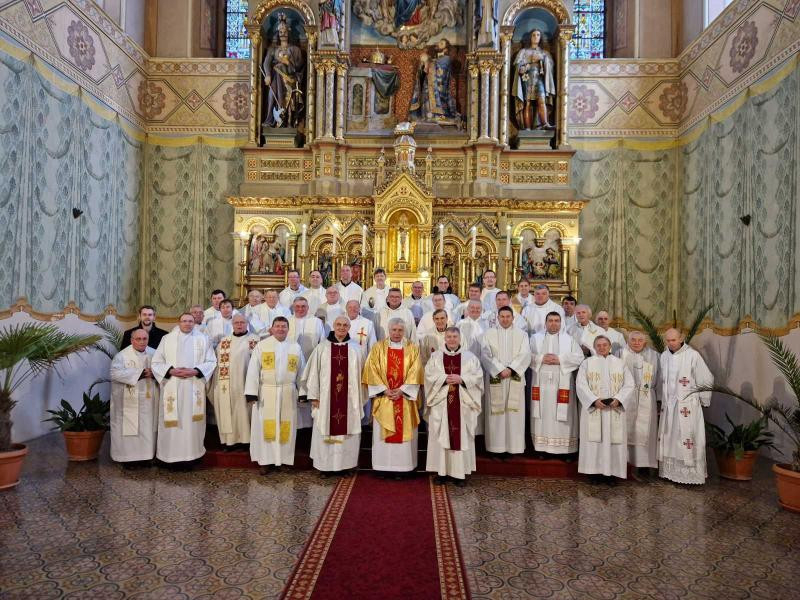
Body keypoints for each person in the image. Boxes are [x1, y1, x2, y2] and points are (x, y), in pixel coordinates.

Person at [302, 315, 367, 474]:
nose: (341, 328)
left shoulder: (356, 349)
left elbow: (363, 377)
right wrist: (314, 396)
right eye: (338, 324)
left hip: (349, 401)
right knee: (324, 428)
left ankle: (346, 466)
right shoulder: (322, 348)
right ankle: (325, 467)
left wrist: (360, 398)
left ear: (349, 328)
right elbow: (313, 374)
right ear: (333, 326)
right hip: (325, 401)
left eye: (345, 325)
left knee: (348, 431)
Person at [152, 313, 217, 465]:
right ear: (179, 322)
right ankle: (169, 457)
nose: (187, 323)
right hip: (172, 385)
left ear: (194, 323)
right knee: (172, 422)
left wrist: (195, 371)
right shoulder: (167, 339)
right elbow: (156, 362)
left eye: (190, 321)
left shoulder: (203, 339)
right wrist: (171, 371)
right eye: (184, 321)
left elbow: (211, 361)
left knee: (191, 424)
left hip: (193, 386)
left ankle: (192, 457)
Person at [362, 318, 424, 473]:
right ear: (389, 330)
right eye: (394, 330)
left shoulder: (412, 348)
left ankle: (403, 468)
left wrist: (402, 390)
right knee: (383, 434)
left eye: (400, 330)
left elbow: (416, 371)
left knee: (404, 435)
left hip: (404, 399)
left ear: (404, 331)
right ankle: (382, 467)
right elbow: (371, 370)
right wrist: (384, 390)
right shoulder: (378, 348)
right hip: (385, 398)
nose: (397, 333)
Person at [245, 316, 305, 472]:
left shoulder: (295, 347)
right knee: (266, 426)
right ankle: (266, 461)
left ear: (288, 329)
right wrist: (251, 392)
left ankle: (284, 460)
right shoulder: (262, 345)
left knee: (286, 426)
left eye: (284, 326)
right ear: (271, 328)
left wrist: (303, 392)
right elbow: (253, 369)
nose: (280, 329)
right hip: (267, 392)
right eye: (277, 326)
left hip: (288, 392)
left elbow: (302, 371)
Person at [425, 327, 484, 485]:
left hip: (463, 403)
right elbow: (428, 375)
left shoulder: (470, 357)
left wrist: (462, 379)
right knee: (441, 435)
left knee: (461, 435)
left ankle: (459, 474)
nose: (452, 339)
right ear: (445, 338)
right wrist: (444, 378)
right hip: (441, 403)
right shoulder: (436, 357)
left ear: (460, 338)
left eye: (455, 336)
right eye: (449, 336)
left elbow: (478, 377)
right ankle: (441, 472)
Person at [658, 328, 714, 485]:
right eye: (668, 340)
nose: (671, 343)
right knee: (671, 438)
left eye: (673, 340)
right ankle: (670, 472)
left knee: (686, 436)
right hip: (669, 405)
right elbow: (662, 380)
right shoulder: (664, 356)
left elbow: (706, 377)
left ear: (681, 338)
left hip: (687, 406)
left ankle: (689, 474)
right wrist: (660, 399)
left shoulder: (692, 355)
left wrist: (704, 399)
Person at [576, 335, 634, 481]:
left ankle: (612, 475)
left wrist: (619, 399)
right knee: (593, 442)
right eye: (598, 345)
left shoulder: (620, 363)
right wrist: (593, 400)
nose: (602, 348)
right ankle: (593, 473)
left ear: (610, 347)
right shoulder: (587, 363)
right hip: (595, 409)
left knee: (613, 441)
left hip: (614, 409)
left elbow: (629, 384)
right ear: (594, 347)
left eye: (604, 345)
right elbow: (581, 385)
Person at [480, 307, 532, 455]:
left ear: (513, 318)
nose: (505, 319)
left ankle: (514, 447)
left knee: (514, 414)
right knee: (496, 414)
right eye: (502, 316)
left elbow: (525, 354)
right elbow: (485, 354)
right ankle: (496, 448)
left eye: (508, 316)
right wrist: (499, 369)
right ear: (497, 318)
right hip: (496, 378)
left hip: (514, 378)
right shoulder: (488, 334)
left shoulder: (522, 334)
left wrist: (511, 369)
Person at [530, 312, 583, 455]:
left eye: (556, 321)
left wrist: (560, 359)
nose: (553, 323)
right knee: (542, 413)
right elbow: (526, 356)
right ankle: (541, 448)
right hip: (540, 384)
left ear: (561, 323)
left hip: (562, 383)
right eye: (550, 320)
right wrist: (541, 358)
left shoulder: (569, 340)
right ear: (545, 323)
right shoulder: (535, 338)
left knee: (562, 414)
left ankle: (565, 449)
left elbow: (579, 357)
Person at [110, 328, 159, 465]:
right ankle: (128, 459)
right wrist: (141, 373)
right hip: (129, 401)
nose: (142, 342)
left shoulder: (155, 353)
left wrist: (155, 373)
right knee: (130, 429)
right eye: (138, 339)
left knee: (148, 428)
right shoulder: (122, 356)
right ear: (132, 340)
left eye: (145, 339)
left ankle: (147, 456)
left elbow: (163, 370)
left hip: (150, 400)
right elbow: (114, 373)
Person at [210, 314, 259, 449]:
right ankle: (230, 442)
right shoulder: (224, 342)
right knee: (228, 411)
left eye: (242, 322)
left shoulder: (255, 340)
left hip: (246, 384)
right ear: (232, 324)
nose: (239, 325)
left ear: (247, 324)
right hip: (226, 385)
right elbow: (216, 364)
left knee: (245, 412)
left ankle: (246, 442)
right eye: (236, 323)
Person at [622, 331, 660, 476]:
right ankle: (625, 462)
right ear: (628, 341)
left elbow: (661, 378)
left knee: (646, 430)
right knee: (626, 428)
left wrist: (659, 399)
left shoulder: (654, 356)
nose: (636, 343)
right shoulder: (621, 354)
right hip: (626, 396)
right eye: (633, 340)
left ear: (645, 342)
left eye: (640, 340)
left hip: (647, 396)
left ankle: (644, 464)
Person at [288, 297, 325, 428]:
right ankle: (295, 427)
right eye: (297, 306)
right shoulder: (287, 321)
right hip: (291, 366)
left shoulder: (316, 322)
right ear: (293, 307)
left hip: (311, 364)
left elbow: (322, 343)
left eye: (303, 306)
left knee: (309, 393)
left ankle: (309, 428)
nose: (300, 309)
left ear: (308, 308)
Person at [512, 28, 555, 130]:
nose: (536, 37)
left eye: (538, 35)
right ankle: (527, 127)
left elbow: (551, 65)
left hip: (539, 79)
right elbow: (517, 64)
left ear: (540, 38)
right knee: (527, 103)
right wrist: (524, 66)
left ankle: (545, 123)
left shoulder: (544, 53)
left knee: (542, 100)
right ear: (530, 38)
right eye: (534, 35)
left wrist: (542, 59)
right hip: (527, 79)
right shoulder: (524, 52)